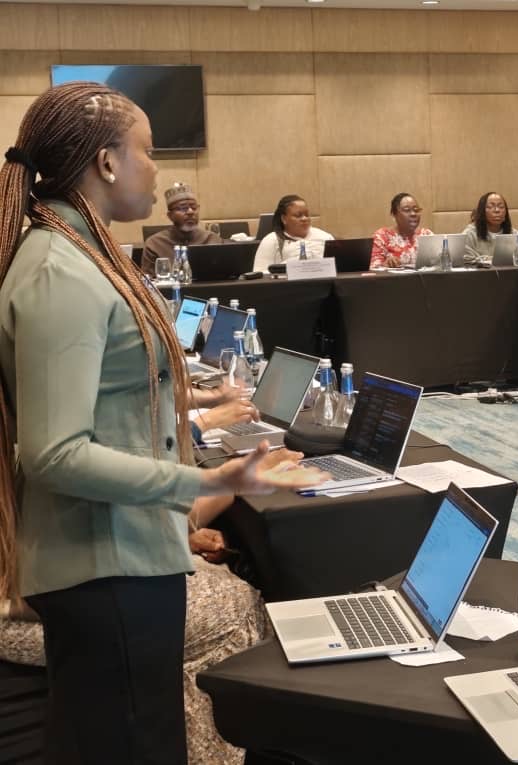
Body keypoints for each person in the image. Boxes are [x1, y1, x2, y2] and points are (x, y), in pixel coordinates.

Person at [0, 83, 325, 764]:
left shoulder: (82, 252)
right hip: (103, 570)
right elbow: (55, 452)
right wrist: (208, 476)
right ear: (107, 163)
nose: (159, 169)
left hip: (118, 559)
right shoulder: (60, 270)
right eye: (147, 151)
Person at [0, 449, 301, 764]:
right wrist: (230, 484)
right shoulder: (54, 446)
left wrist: (179, 538)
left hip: (43, 598)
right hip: (30, 615)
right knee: (234, 607)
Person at [141, 181, 224, 277]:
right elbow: (147, 283)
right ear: (170, 215)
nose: (190, 212)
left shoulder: (213, 239)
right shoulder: (154, 244)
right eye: (183, 208)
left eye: (194, 207)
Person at [253, 194, 334, 272]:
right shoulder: (271, 240)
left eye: (307, 215)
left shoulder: (325, 237)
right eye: (298, 215)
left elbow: (338, 269)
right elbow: (260, 273)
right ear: (284, 219)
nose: (304, 218)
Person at [370, 192, 434, 268]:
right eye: (407, 210)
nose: (413, 214)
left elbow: (442, 262)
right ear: (394, 214)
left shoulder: (426, 234)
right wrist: (385, 264)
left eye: (416, 210)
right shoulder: (382, 237)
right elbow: (373, 268)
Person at [463, 191, 518, 265]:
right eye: (490, 207)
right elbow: (466, 260)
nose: (497, 210)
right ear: (482, 212)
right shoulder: (469, 234)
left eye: (501, 207)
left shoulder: (515, 234)